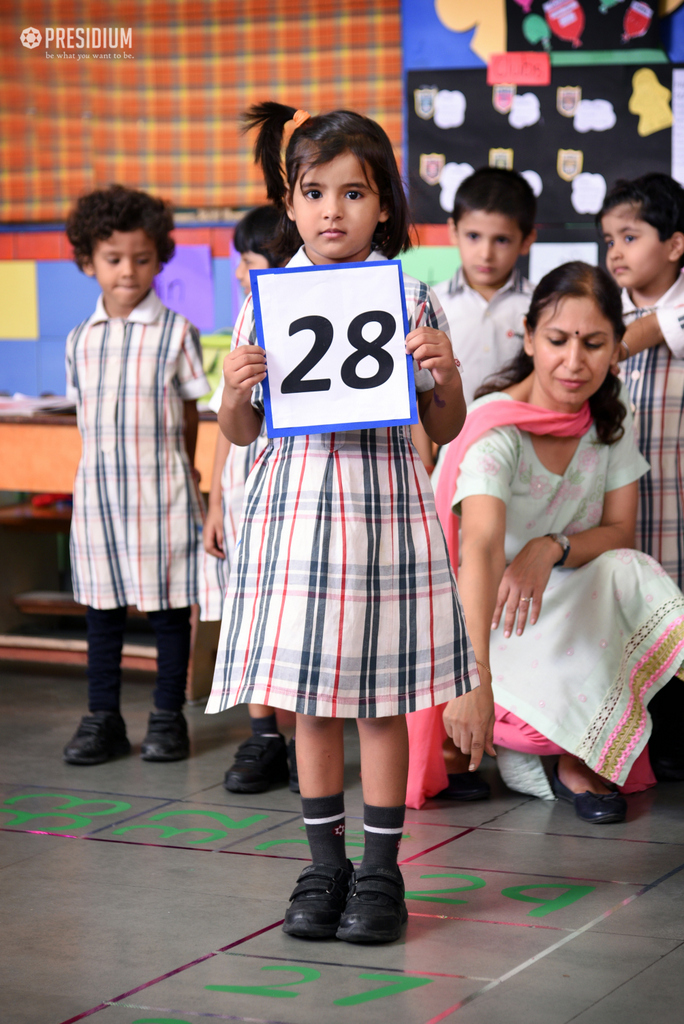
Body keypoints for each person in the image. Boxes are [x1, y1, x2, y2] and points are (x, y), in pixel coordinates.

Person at [206, 101, 477, 943]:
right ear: (289, 205)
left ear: (385, 206)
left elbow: (444, 426)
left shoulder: (412, 295)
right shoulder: (265, 301)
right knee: (310, 706)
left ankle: (383, 871)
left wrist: (445, 374)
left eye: (354, 193)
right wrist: (235, 391)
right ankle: (325, 866)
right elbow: (240, 431)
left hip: (383, 520)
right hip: (294, 524)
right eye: (314, 192)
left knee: (379, 704)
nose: (333, 210)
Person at [406, 262, 684, 821]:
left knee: (628, 568)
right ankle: (527, 748)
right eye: (558, 340)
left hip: (564, 606)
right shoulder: (495, 428)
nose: (575, 362)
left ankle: (569, 760)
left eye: (594, 343)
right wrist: (472, 679)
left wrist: (549, 546)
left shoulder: (610, 414)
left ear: (615, 348)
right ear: (529, 338)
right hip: (487, 616)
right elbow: (479, 550)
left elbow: (618, 531)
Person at [62, 184, 209, 765]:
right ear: (87, 261)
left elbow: (193, 415)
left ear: (159, 258)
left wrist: (186, 474)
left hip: (163, 495)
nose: (128, 271)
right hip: (98, 500)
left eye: (142, 259)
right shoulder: (80, 341)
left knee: (170, 613)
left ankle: (168, 718)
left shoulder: (176, 334)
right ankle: (103, 719)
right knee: (102, 613)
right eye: (113, 259)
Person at [201, 204, 299, 794]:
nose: (241, 273)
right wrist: (214, 502)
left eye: (250, 261)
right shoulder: (248, 320)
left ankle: (294, 740)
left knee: (288, 622)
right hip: (243, 498)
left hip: (288, 497)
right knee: (252, 618)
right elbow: (224, 422)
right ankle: (263, 737)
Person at [599, 174, 684, 592]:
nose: (615, 252)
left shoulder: (609, 335)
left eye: (630, 237)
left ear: (674, 245)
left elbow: (660, 327)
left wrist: (610, 348)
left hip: (676, 522)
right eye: (609, 240)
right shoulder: (599, 316)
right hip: (609, 530)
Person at [434, 167, 536, 407]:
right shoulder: (432, 303)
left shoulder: (541, 305)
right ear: (453, 231)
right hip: (451, 442)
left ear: (526, 241)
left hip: (522, 438)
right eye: (473, 236)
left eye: (501, 240)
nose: (486, 254)